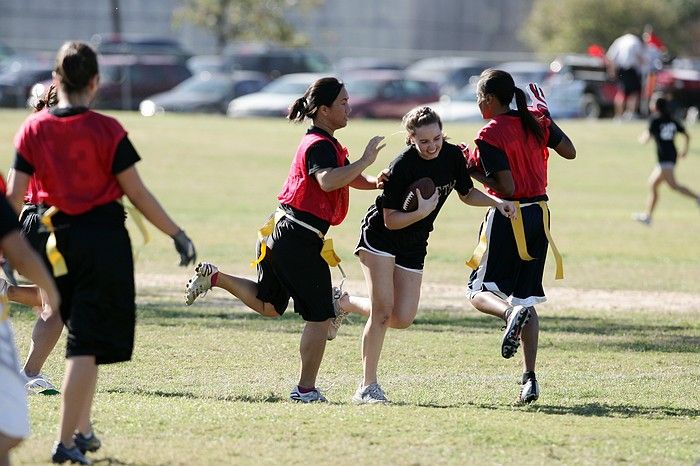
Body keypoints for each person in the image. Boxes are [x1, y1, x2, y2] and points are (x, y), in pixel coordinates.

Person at [6, 41, 197, 465]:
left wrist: (6, 248)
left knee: (81, 340)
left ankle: (83, 430)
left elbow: (14, 199)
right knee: (85, 344)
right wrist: (177, 233)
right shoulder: (107, 129)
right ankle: (66, 442)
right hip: (103, 241)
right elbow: (137, 192)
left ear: (56, 80)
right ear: (94, 82)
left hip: (55, 240)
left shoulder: (32, 129)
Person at [184, 76, 387, 403]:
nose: (349, 107)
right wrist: (365, 160)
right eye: (343, 103)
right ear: (323, 110)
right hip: (298, 237)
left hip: (283, 232)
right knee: (320, 317)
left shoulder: (325, 141)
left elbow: (347, 176)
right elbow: (328, 181)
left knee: (269, 304)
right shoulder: (320, 145)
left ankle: (216, 278)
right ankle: (305, 390)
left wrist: (376, 180)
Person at [331, 106, 515, 404]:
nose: (432, 147)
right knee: (382, 312)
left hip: (415, 243)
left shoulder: (454, 156)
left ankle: (343, 302)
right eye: (424, 141)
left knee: (402, 317)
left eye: (437, 139)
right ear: (411, 139)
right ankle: (367, 387)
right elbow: (390, 219)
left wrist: (496, 202)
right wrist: (422, 212)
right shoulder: (403, 165)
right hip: (380, 237)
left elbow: (466, 193)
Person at [464, 70, 576, 404]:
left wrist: (467, 168)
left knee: (478, 291)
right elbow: (569, 151)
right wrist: (549, 118)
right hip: (539, 217)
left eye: (478, 98)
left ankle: (508, 315)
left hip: (508, 215)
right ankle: (529, 378)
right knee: (525, 299)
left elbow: (506, 187)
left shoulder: (491, 132)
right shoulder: (536, 120)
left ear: (488, 99)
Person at [0, 193, 61, 466]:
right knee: (59, 302)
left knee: (57, 296)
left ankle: (6, 291)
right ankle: (31, 372)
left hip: (29, 216)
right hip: (53, 220)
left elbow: (14, 187)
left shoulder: (30, 147)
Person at [633, 95, 699, 225]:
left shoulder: (655, 120)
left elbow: (646, 138)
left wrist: (640, 139)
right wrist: (685, 150)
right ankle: (647, 216)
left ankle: (698, 198)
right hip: (671, 156)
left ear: (656, 106)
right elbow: (686, 135)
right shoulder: (671, 119)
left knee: (674, 186)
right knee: (653, 184)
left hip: (665, 158)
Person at [606, 31, 647, 119]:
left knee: (621, 93)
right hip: (631, 70)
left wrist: (612, 72)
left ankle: (618, 115)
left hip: (621, 70)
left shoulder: (619, 41)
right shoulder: (635, 41)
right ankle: (630, 113)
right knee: (634, 92)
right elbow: (639, 56)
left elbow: (610, 57)